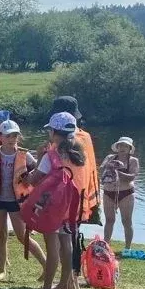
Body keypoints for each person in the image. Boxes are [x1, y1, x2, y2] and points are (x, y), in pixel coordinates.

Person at [27, 112, 86, 289]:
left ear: (53, 132)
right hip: (72, 206)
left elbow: (34, 181)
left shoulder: (50, 155)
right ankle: (63, 286)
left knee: (52, 246)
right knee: (66, 243)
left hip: (52, 206)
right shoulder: (79, 154)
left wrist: (36, 159)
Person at [0, 120, 47, 279]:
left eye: (15, 136)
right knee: (0, 234)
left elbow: (38, 173)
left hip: (17, 201)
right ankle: (2, 270)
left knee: (21, 235)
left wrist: (30, 178)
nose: (12, 139)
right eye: (9, 135)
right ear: (0, 137)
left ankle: (46, 266)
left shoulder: (25, 155)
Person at [48, 96, 100, 226]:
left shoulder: (61, 142)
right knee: (72, 233)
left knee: (62, 235)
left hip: (65, 196)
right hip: (84, 194)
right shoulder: (85, 136)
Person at [101, 136, 139, 251]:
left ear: (129, 148)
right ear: (117, 147)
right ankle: (106, 246)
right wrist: (109, 166)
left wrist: (117, 172)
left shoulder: (133, 160)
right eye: (121, 145)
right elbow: (101, 169)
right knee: (109, 220)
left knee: (126, 221)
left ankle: (127, 248)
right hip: (108, 192)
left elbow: (132, 176)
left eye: (126, 146)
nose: (122, 148)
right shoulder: (110, 157)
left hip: (126, 193)